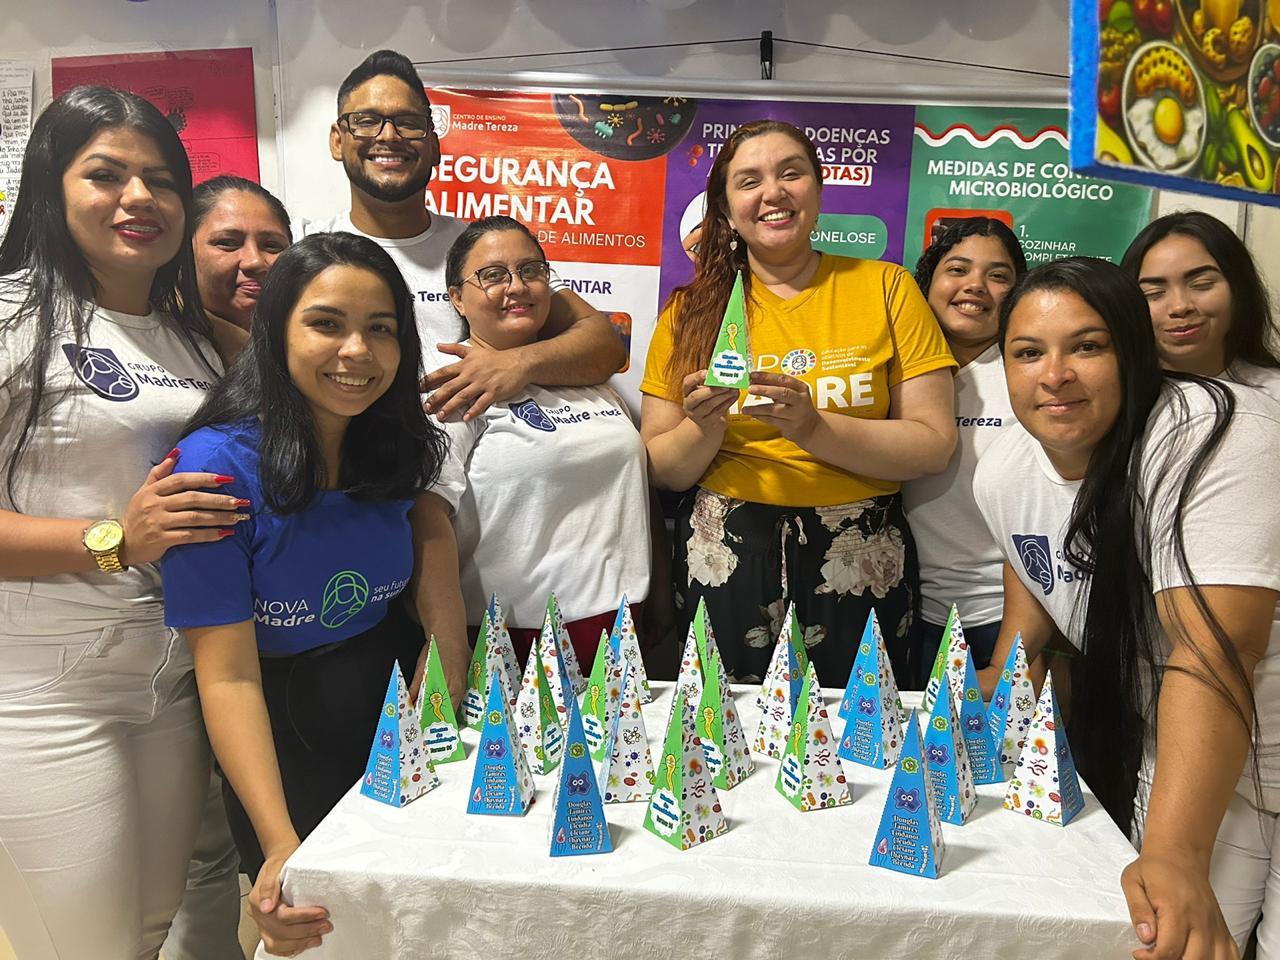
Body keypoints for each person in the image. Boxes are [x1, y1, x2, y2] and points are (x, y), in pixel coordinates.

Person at [973, 256, 1280, 959]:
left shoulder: (1213, 432)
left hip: (1237, 728)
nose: (1054, 375)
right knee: (1164, 941)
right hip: (1181, 758)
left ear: (1133, 351)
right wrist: (1001, 678)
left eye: (1088, 345)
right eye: (1027, 352)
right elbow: (1033, 569)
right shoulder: (1004, 469)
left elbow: (1216, 648)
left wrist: (1175, 852)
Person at [161, 231, 457, 957]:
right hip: (280, 731)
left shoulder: (392, 444)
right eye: (327, 324)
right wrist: (278, 840)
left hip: (391, 709)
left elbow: (434, 593)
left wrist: (428, 710)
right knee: (316, 929)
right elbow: (226, 675)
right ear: (276, 332)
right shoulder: (214, 469)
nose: (357, 351)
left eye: (380, 329)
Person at [0, 86, 243, 960]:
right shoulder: (10, 315)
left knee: (145, 933)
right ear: (51, 188)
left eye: (160, 180)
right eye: (105, 175)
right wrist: (112, 540)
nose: (138, 198)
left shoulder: (197, 338)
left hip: (167, 684)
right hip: (41, 698)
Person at [640, 119, 956, 687]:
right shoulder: (689, 311)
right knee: (724, 737)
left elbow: (932, 446)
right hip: (727, 549)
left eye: (791, 173)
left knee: (862, 739)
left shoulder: (886, 287)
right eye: (748, 181)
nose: (772, 192)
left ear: (817, 188)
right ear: (725, 206)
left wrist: (813, 428)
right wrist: (704, 429)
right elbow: (663, 469)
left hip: (861, 549)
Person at [296, 49, 626, 421]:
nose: (389, 135)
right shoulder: (304, 248)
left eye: (408, 122)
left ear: (435, 146)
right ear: (338, 141)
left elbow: (604, 346)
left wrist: (518, 363)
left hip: (470, 460)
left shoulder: (483, 249)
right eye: (366, 120)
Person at [430, 216, 650, 664]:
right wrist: (446, 644)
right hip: (508, 637)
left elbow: (630, 491)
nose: (516, 286)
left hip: (617, 627)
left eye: (531, 271)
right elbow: (424, 522)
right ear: (457, 298)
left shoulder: (588, 376)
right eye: (492, 276)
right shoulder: (456, 392)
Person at [902, 218, 1027, 686]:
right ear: (928, 282)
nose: (976, 285)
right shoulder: (893, 371)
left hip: (1007, 617)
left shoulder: (1026, 375)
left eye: (998, 276)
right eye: (958, 269)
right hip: (908, 613)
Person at [1123, 210, 1280, 390]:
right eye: (1154, 292)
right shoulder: (1111, 395)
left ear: (1239, 287)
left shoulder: (1273, 397)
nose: (1180, 306)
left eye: (1202, 284)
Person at [191, 175, 292, 362]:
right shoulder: (158, 346)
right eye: (228, 243)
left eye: (271, 245)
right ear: (183, 254)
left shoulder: (310, 351)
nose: (254, 261)